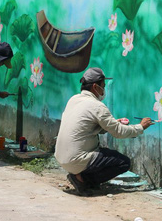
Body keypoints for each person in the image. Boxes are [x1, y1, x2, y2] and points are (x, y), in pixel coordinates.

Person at [55, 67, 154, 196]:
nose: (104, 89)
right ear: (96, 86)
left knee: (105, 155)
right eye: (103, 85)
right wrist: (140, 127)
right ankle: (82, 180)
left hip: (61, 157)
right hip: (77, 160)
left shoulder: (73, 100)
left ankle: (80, 176)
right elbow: (118, 132)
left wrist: (113, 123)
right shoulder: (97, 106)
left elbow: (88, 126)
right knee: (123, 163)